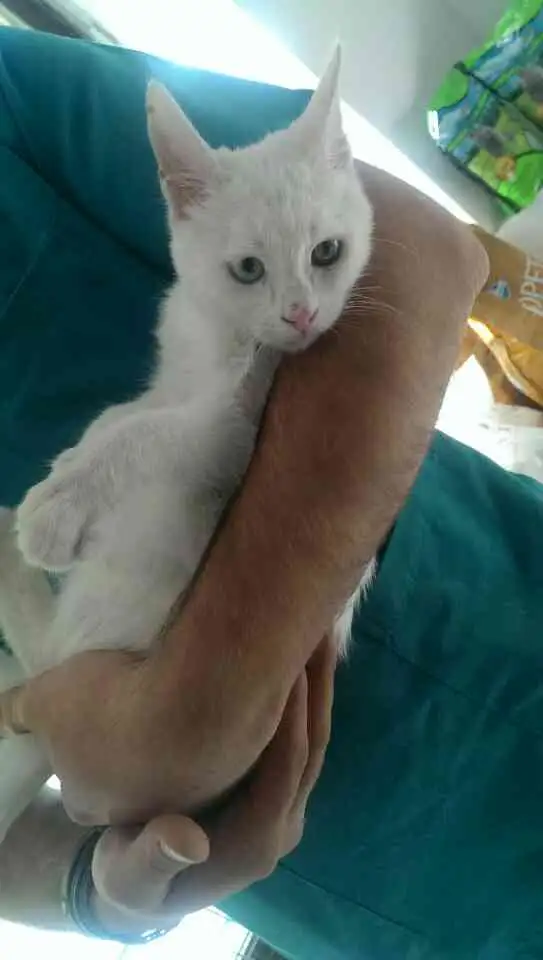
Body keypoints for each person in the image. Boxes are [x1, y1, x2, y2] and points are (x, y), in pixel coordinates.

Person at [3, 25, 543, 960]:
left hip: (480, 618)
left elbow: (425, 249)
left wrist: (188, 714)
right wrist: (96, 895)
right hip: (332, 872)